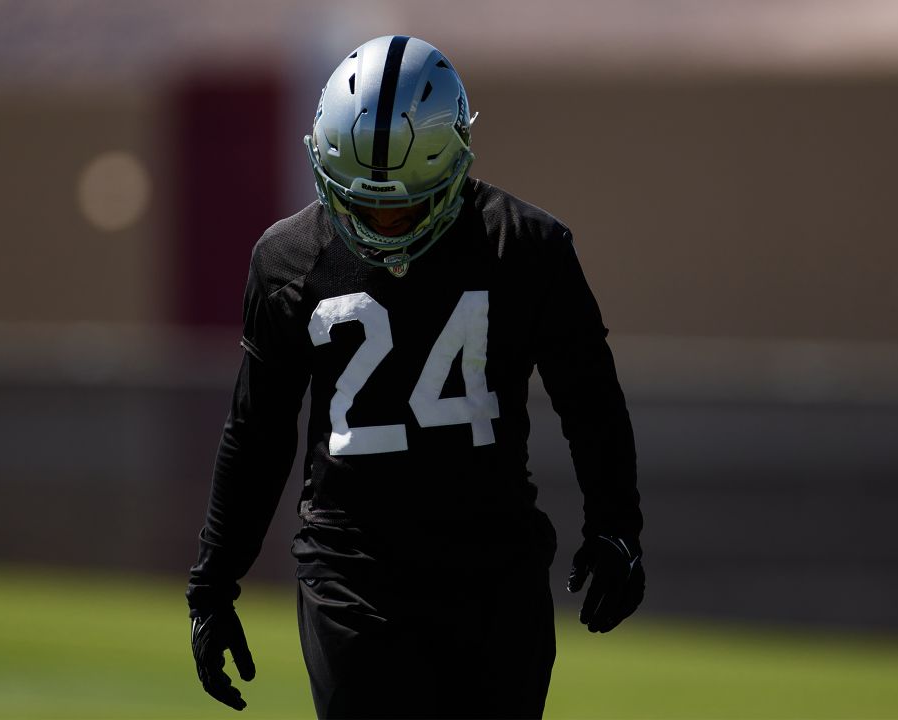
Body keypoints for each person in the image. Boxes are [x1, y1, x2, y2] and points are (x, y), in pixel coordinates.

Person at [188, 35, 644, 719]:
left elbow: (589, 401)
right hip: (353, 575)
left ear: (457, 161)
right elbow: (258, 431)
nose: (382, 226)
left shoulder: (525, 247)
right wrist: (214, 583)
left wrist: (615, 527)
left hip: (494, 572)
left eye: (402, 206)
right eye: (363, 206)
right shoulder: (287, 259)